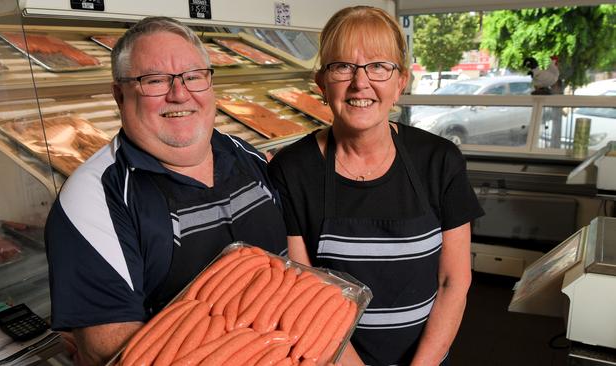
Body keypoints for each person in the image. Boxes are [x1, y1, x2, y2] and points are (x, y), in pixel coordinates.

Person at [45, 16, 287, 364]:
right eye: (155, 80)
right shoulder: (93, 198)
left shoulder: (247, 154)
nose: (179, 94)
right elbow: (108, 348)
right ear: (119, 94)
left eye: (193, 77)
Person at [268, 6, 484, 366]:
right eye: (343, 67)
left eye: (379, 66)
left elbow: (453, 281)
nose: (360, 83)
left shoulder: (439, 160)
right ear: (322, 83)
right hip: (332, 357)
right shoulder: (293, 170)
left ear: (400, 82)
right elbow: (306, 295)